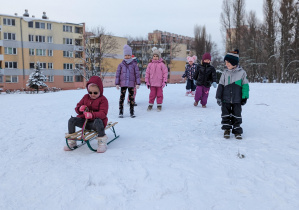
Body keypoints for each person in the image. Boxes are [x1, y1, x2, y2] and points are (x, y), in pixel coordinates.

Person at [64, 76, 109, 153]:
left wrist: (92, 115)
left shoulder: (103, 100)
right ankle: (72, 141)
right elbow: (77, 107)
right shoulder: (85, 97)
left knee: (98, 121)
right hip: (84, 122)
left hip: (95, 124)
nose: (92, 94)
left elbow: (103, 113)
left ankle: (102, 143)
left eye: (95, 93)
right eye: (90, 92)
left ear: (100, 91)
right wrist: (80, 108)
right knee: (72, 120)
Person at [216, 49, 249, 140]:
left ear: (234, 63)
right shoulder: (225, 73)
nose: (226, 64)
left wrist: (244, 97)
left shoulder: (242, 73)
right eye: (226, 62)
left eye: (228, 63)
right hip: (225, 99)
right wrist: (218, 97)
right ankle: (227, 129)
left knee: (237, 115)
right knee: (225, 114)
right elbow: (221, 85)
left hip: (237, 99)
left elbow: (245, 86)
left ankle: (237, 130)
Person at [115, 45, 140, 118]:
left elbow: (137, 74)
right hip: (123, 84)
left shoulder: (134, 65)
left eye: (129, 55)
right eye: (126, 55)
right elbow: (118, 74)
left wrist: (138, 83)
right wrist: (117, 83)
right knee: (122, 98)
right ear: (124, 55)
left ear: (131, 56)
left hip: (131, 84)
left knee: (131, 98)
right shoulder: (121, 65)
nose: (127, 56)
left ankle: (132, 112)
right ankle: (121, 112)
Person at [145, 47, 168, 112]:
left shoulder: (162, 64)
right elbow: (147, 73)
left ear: (159, 57)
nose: (155, 57)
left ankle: (159, 105)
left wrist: (164, 81)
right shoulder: (150, 64)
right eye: (154, 56)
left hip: (159, 83)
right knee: (152, 95)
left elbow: (165, 73)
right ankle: (150, 104)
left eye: (156, 56)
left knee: (159, 95)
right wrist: (147, 81)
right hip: (152, 83)